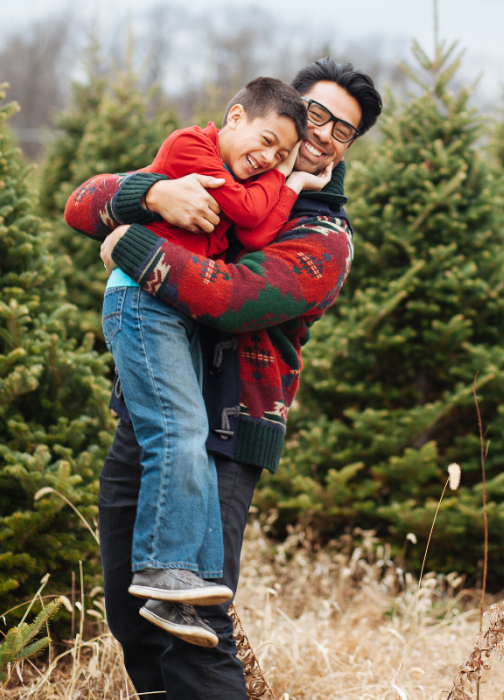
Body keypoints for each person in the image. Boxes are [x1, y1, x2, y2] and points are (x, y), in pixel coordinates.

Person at [65, 57, 382, 699]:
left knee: (194, 629)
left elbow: (234, 297)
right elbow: (82, 200)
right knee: (133, 614)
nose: (322, 134)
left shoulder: (324, 234)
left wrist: (131, 241)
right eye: (313, 114)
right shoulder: (219, 165)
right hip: (149, 422)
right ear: (282, 109)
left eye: (341, 131)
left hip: (226, 435)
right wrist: (151, 195)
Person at [88, 77, 331, 647]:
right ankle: (162, 570)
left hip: (177, 317)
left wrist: (284, 182)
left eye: (282, 152)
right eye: (267, 141)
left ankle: (182, 582)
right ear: (236, 115)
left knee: (185, 435)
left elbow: (260, 231)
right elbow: (248, 213)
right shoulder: (190, 145)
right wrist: (148, 198)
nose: (269, 157)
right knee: (179, 429)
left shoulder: (323, 232)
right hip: (143, 300)